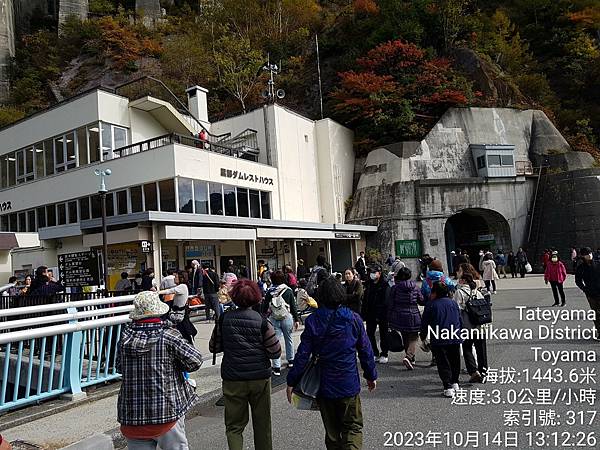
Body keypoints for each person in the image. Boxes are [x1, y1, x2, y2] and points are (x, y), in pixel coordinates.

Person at [286, 276, 377, 449]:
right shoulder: (353, 319)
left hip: (324, 385)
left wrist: (292, 381)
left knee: (332, 433)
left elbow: (302, 355)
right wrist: (371, 375)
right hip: (348, 382)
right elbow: (366, 350)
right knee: (353, 427)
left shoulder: (313, 321)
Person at [117, 291, 203, 449]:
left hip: (132, 417)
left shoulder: (124, 339)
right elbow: (196, 361)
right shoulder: (169, 335)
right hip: (167, 413)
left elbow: (119, 368)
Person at [209, 279, 281, 450]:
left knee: (234, 426)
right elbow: (275, 351)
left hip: (233, 377)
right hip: (259, 377)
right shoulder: (262, 321)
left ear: (233, 297)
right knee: (262, 424)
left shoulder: (224, 319)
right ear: (255, 297)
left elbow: (214, 347)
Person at [420, 281, 463, 398]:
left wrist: (423, 336)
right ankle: (455, 382)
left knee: (443, 362)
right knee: (455, 360)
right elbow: (460, 320)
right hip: (454, 335)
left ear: (435, 293)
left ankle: (447, 385)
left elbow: (425, 323)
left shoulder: (431, 305)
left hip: (439, 337)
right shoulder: (453, 303)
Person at [262, 271, 299, 375]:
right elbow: (293, 306)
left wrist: (264, 317)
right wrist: (296, 319)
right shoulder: (288, 290)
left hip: (274, 318)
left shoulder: (270, 291)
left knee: (275, 342)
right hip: (287, 318)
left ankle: (276, 367)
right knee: (289, 339)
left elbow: (265, 307)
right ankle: (291, 361)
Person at [453, 272, 488, 383]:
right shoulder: (477, 292)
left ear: (463, 280)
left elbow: (456, 309)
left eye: (460, 278)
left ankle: (473, 371)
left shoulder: (460, 292)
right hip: (480, 324)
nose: (458, 280)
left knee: (467, 347)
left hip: (467, 325)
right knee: (481, 349)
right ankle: (483, 371)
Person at [387, 267, 423, 370]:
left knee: (405, 336)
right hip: (414, 313)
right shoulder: (415, 287)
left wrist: (389, 318)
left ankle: (410, 358)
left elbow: (391, 304)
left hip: (400, 314)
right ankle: (409, 356)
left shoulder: (395, 288)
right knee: (414, 337)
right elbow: (421, 300)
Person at [159, 271, 197, 344]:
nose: (174, 279)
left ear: (181, 278)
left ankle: (189, 345)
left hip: (179, 314)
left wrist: (158, 292)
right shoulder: (182, 286)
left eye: (176, 277)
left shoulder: (182, 286)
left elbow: (170, 291)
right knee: (184, 331)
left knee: (184, 332)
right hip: (179, 313)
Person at [362, 265, 389, 364]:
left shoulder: (385, 285)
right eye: (371, 272)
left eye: (374, 272)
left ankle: (384, 353)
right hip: (370, 313)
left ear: (379, 273)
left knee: (383, 334)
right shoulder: (368, 284)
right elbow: (365, 300)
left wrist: (381, 313)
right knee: (369, 333)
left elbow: (386, 302)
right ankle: (374, 352)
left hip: (382, 314)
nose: (372, 274)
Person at [575, 247, 600, 338]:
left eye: (590, 253)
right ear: (583, 256)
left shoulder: (598, 263)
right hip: (591, 293)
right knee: (595, 313)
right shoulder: (581, 268)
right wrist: (585, 289)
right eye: (586, 254)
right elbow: (578, 280)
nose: (589, 255)